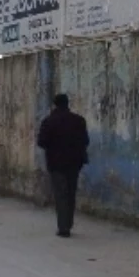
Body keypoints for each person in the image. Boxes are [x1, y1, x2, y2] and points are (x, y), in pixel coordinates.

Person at [37, 93, 89, 238]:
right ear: (67, 104)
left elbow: (41, 142)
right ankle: (68, 222)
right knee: (71, 193)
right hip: (74, 162)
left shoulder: (49, 121)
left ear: (55, 104)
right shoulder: (79, 121)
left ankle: (63, 227)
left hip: (56, 163)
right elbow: (85, 140)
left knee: (60, 194)